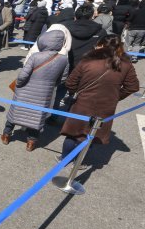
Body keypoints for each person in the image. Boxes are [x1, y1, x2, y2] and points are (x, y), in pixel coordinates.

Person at [58, 35, 139, 164]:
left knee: (73, 134)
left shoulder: (88, 61)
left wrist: (77, 92)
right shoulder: (125, 64)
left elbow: (70, 83)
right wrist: (116, 96)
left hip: (82, 103)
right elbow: (133, 87)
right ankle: (78, 162)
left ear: (100, 45)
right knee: (90, 135)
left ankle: (64, 159)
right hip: (106, 106)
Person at [2, 30, 70, 151]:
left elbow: (23, 75)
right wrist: (51, 85)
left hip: (25, 90)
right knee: (37, 117)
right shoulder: (64, 59)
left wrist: (19, 84)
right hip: (45, 94)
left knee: (15, 112)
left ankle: (6, 134)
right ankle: (31, 142)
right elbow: (63, 78)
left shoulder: (36, 56)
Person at [65, 4, 107, 70]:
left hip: (68, 63)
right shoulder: (101, 31)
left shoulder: (66, 28)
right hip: (89, 66)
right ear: (92, 16)